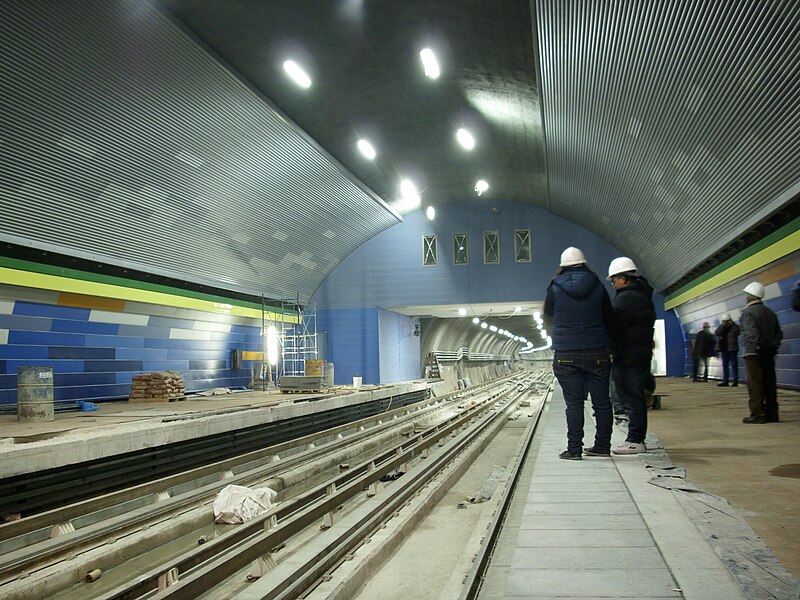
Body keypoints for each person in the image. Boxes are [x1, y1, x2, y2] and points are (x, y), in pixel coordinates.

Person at [543, 247, 613, 460]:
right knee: (602, 402)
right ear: (584, 264)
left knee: (574, 404)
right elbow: (608, 317)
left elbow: (547, 316)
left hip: (566, 353)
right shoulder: (598, 286)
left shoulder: (554, 288)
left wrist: (558, 337)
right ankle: (602, 446)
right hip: (597, 352)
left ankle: (574, 450)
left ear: (562, 266)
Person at [606, 257, 656, 454]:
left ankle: (636, 439)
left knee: (632, 399)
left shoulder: (627, 298)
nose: (613, 283)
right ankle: (636, 438)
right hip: (636, 354)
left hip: (629, 356)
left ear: (624, 278)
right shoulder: (641, 295)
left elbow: (614, 325)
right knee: (633, 397)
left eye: (614, 279)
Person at [740, 282, 782, 424]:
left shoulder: (748, 312)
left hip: (753, 353)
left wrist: (756, 347)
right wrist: (772, 347)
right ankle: (772, 414)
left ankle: (757, 414)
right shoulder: (770, 312)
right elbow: (778, 333)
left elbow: (752, 333)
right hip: (769, 352)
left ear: (749, 297)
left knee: (755, 384)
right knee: (769, 382)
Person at [715, 314, 741, 387]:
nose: (725, 322)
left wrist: (732, 324)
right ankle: (725, 381)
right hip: (724, 348)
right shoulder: (721, 327)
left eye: (727, 321)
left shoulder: (734, 327)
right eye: (724, 321)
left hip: (732, 348)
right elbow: (716, 333)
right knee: (725, 365)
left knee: (734, 365)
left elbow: (738, 331)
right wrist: (722, 326)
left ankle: (735, 381)